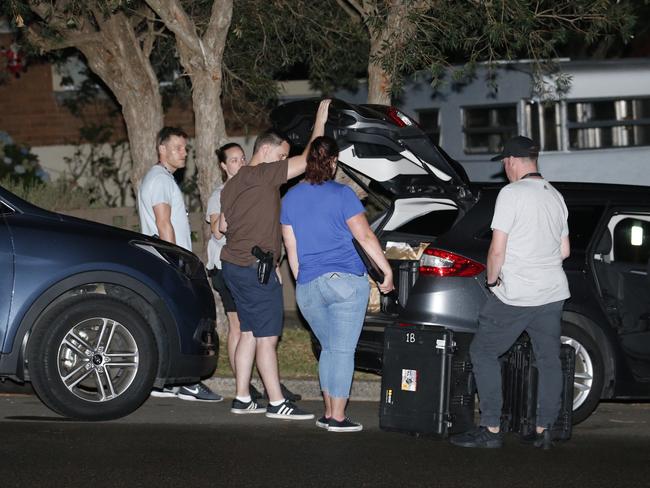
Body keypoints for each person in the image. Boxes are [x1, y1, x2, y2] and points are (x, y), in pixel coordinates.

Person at [450, 136, 571, 449]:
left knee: (483, 352)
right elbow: (564, 250)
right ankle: (545, 429)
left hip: (516, 295)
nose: (504, 168)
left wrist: (492, 283)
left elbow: (497, 250)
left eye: (504, 162)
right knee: (548, 360)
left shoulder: (511, 193)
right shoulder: (555, 196)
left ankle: (490, 430)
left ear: (511, 161)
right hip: (553, 292)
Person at [219, 99, 331, 419]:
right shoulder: (263, 174)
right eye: (281, 156)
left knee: (250, 332)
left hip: (234, 266)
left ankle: (242, 396)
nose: (284, 162)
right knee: (268, 338)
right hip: (255, 269)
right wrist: (320, 118)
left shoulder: (232, 184)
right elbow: (309, 158)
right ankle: (276, 401)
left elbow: (225, 226)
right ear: (266, 151)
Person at [281, 136, 394, 432]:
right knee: (342, 351)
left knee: (330, 348)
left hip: (307, 287)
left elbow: (292, 251)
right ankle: (338, 418)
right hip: (343, 282)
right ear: (332, 162)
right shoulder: (342, 194)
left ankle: (329, 412)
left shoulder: (289, 198)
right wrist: (386, 272)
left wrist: (303, 281)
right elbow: (366, 237)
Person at [138, 126, 223, 403]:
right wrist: (176, 262)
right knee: (184, 321)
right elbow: (164, 224)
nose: (183, 152)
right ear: (161, 149)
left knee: (167, 323)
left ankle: (164, 382)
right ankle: (186, 382)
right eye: (177, 147)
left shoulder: (160, 178)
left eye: (185, 148)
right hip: (170, 263)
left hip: (163, 262)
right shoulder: (160, 179)